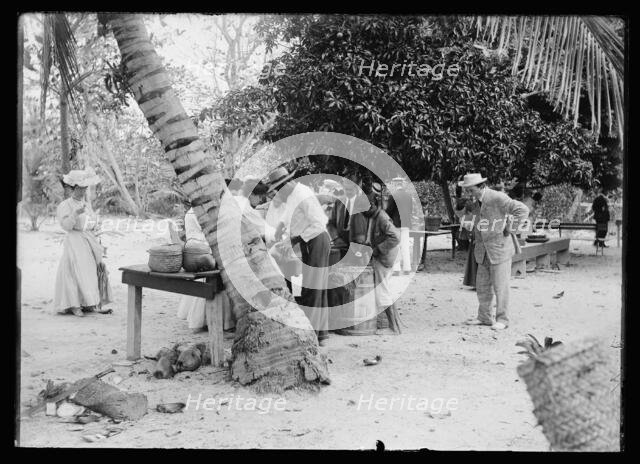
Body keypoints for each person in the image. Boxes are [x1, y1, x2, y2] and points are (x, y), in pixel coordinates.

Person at [265, 167, 331, 345]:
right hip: (307, 241)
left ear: (286, 184)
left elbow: (319, 223)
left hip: (317, 240)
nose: (279, 193)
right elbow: (288, 215)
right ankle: (321, 333)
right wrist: (280, 228)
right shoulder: (292, 194)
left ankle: (315, 334)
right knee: (313, 286)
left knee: (314, 287)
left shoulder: (303, 193)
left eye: (279, 188)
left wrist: (294, 239)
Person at [460, 173, 529, 331]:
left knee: (500, 287)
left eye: (470, 190)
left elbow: (522, 210)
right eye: (467, 190)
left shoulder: (497, 197)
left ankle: (502, 319)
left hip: (499, 250)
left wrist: (510, 228)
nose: (468, 194)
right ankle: (484, 317)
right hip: (482, 251)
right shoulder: (475, 202)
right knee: (482, 286)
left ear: (481, 187)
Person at [54, 168, 112, 316]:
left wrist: (95, 225)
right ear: (73, 188)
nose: (82, 191)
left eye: (84, 188)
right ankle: (74, 305)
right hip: (74, 240)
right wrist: (75, 214)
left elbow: (91, 222)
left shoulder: (87, 204)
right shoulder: (65, 205)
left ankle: (88, 303)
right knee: (73, 270)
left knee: (89, 270)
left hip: (87, 240)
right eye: (79, 188)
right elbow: (66, 226)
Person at [175, 205, 236, 333]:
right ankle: (212, 321)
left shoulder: (191, 212)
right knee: (216, 278)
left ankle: (203, 319)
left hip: (193, 247)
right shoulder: (200, 213)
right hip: (201, 249)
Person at [363, 182, 401, 332]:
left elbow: (395, 237)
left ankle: (393, 327)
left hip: (385, 259)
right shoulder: (374, 216)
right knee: (385, 292)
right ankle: (395, 326)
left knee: (382, 293)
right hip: (383, 258)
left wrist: (378, 250)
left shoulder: (382, 218)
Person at [326, 177, 367, 259]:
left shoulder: (364, 203)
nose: (347, 192)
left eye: (350, 189)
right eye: (345, 189)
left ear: (356, 189)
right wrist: (336, 238)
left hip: (359, 246)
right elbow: (330, 223)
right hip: (341, 244)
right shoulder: (339, 202)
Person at [386, 178, 413, 275]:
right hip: (406, 223)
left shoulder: (393, 196)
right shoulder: (408, 196)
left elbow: (389, 211)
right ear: (402, 184)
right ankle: (407, 268)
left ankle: (396, 269)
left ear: (395, 184)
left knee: (396, 246)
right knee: (405, 246)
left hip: (395, 224)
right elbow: (410, 210)